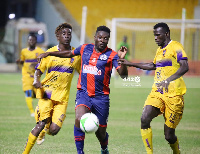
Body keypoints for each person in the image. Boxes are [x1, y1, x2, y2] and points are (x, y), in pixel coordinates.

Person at [37, 25, 128, 154]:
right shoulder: (85, 48)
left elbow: (124, 76)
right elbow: (69, 53)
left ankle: (104, 148)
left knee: (100, 133)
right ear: (95, 37)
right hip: (83, 94)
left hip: (101, 98)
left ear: (108, 40)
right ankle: (80, 152)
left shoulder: (112, 55)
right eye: (100, 37)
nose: (102, 40)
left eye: (106, 38)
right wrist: (49, 53)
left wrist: (121, 60)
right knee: (79, 119)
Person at [118, 22, 189, 154]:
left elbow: (185, 66)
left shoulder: (176, 46)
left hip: (174, 96)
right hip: (157, 92)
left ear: (166, 34)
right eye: (154, 35)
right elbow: (153, 65)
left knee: (169, 135)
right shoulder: (159, 50)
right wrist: (130, 63)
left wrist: (168, 80)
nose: (155, 38)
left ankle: (177, 152)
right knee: (144, 118)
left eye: (158, 35)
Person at [22, 23, 81, 154]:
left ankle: (44, 131)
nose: (66, 36)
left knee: (54, 130)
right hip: (47, 93)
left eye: (69, 34)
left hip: (62, 98)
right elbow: (38, 70)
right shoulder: (48, 54)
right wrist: (37, 81)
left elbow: (82, 73)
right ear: (58, 36)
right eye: (63, 34)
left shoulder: (76, 55)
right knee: (40, 124)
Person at [16, 34, 45, 117]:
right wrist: (19, 62)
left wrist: (36, 64)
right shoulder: (24, 51)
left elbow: (44, 62)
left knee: (39, 95)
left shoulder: (40, 51)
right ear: (28, 41)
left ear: (36, 41)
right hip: (26, 76)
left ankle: (41, 110)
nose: (31, 41)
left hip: (36, 76)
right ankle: (32, 112)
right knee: (28, 92)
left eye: (33, 40)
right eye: (30, 40)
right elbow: (23, 61)